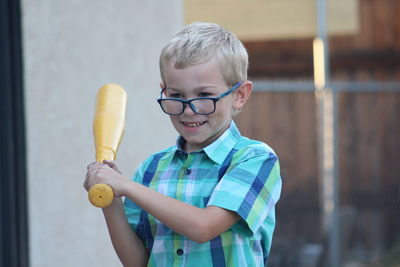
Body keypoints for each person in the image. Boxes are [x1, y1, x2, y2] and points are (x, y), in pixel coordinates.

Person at [84, 22, 282, 267]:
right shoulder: (151, 168)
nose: (190, 110)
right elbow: (138, 262)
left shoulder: (254, 158)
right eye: (177, 96)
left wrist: (126, 186)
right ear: (164, 91)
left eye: (204, 96)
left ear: (239, 95)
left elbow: (204, 227)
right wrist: (112, 200)